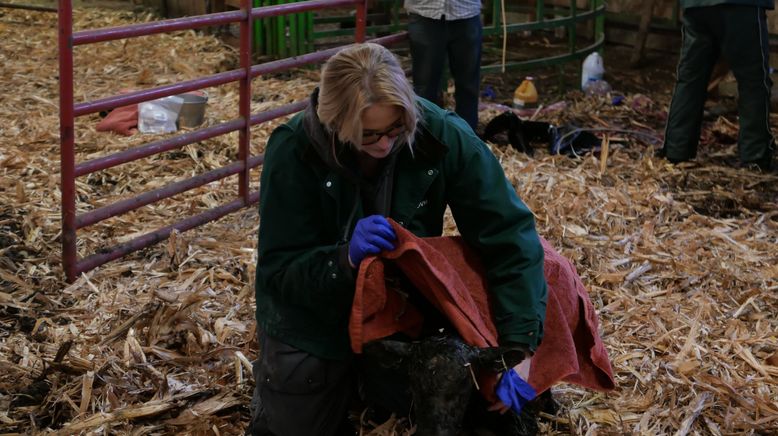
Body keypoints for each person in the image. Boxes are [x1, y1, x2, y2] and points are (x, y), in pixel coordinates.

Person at [249, 43, 547, 436]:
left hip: (405, 302)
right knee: (294, 421)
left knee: (476, 405)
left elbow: (507, 235)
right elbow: (279, 272)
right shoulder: (294, 150)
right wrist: (342, 261)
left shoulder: (439, 133)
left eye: (395, 129)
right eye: (368, 135)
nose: (385, 144)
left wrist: (520, 346)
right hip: (317, 308)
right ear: (334, 123)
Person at [660, 0, 775, 171]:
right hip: (742, 6)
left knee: (691, 79)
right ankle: (755, 156)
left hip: (697, 6)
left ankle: (677, 149)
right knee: (753, 81)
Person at [404, 0, 482, 131]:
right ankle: (426, 139)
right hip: (425, 11)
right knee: (424, 87)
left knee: (468, 86)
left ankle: (468, 139)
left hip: (466, 12)